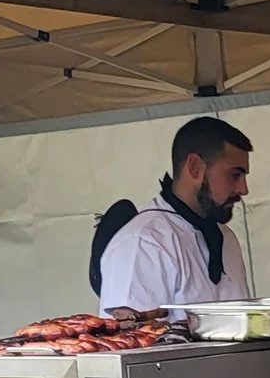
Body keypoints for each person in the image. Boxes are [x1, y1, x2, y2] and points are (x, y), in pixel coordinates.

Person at [89, 115, 255, 313]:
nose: (243, 189)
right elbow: (131, 341)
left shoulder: (226, 238)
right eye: (234, 175)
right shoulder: (143, 243)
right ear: (195, 168)